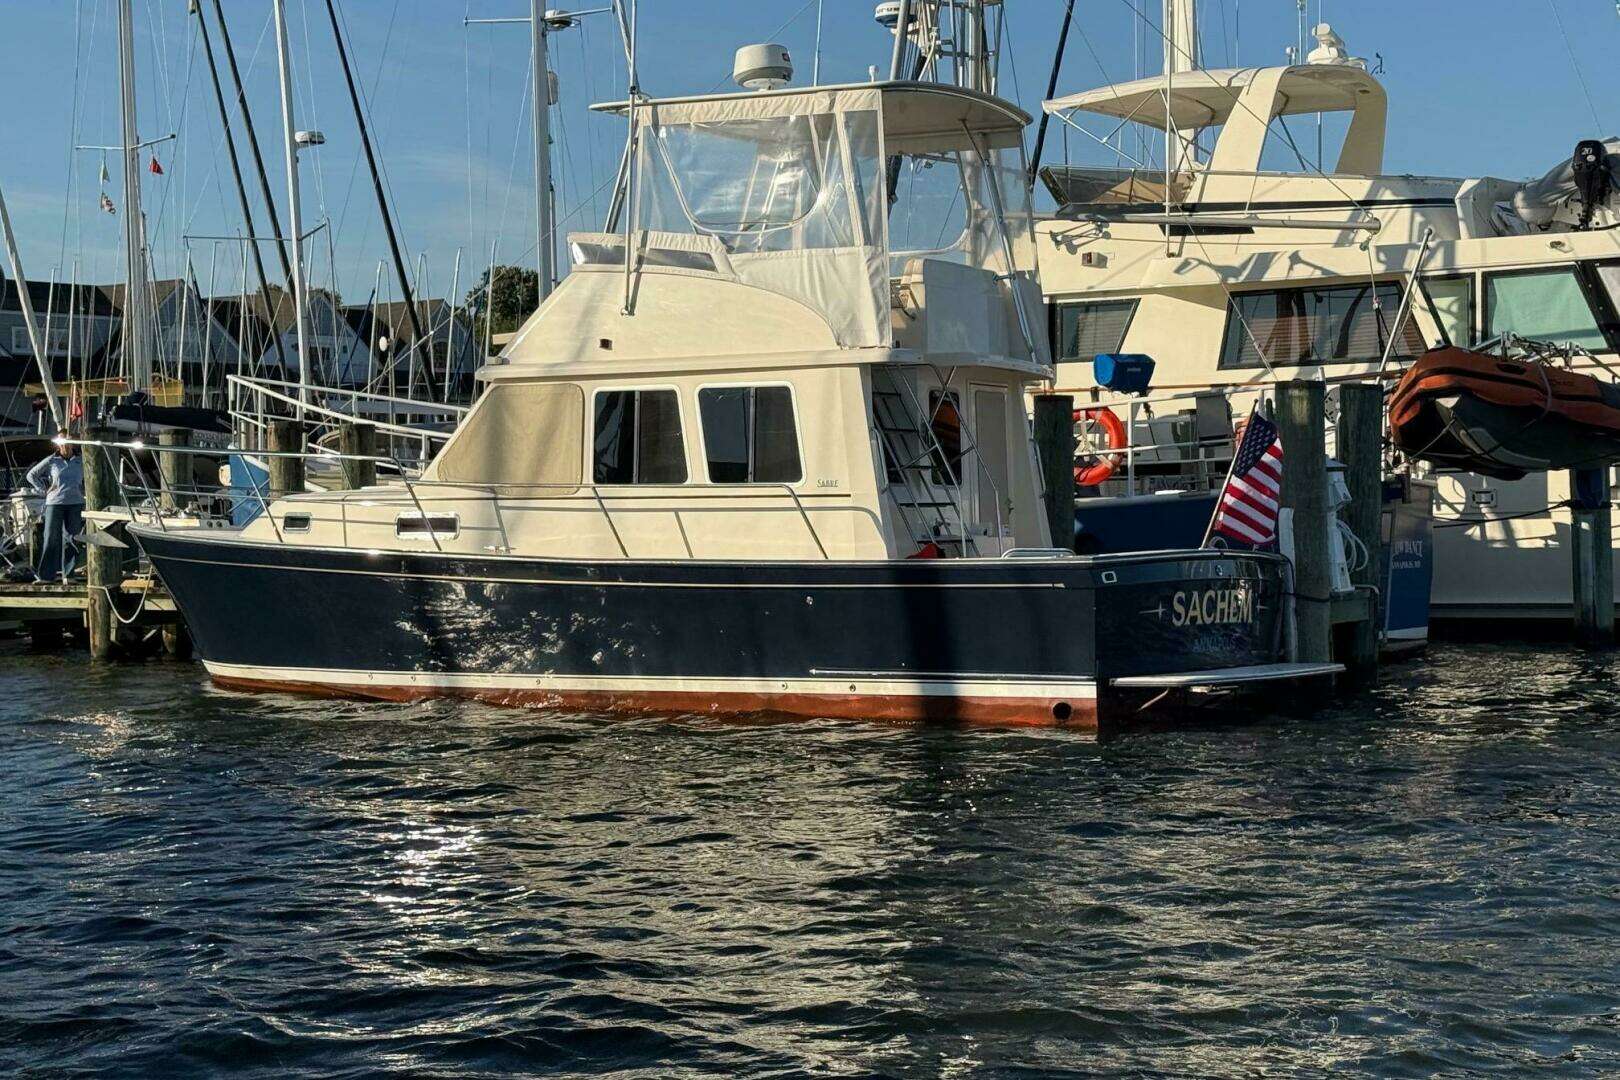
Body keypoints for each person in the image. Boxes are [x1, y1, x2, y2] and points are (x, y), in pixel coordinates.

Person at [26, 431, 85, 583]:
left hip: (75, 503)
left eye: (68, 440)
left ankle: (69, 575)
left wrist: (84, 491)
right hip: (54, 503)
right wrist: (44, 489)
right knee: (51, 538)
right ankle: (46, 576)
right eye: (62, 441)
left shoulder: (81, 460)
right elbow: (31, 475)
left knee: (72, 539)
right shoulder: (52, 460)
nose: (65, 444)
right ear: (58, 444)